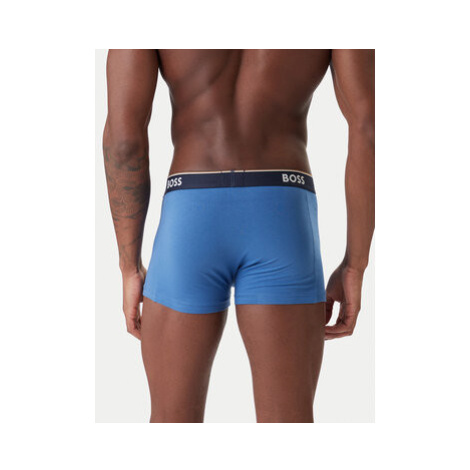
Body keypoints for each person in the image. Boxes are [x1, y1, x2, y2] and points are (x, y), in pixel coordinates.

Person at [103, 49, 375, 423]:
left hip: (190, 213)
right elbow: (368, 126)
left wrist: (129, 265)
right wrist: (355, 264)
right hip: (282, 211)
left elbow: (124, 142)